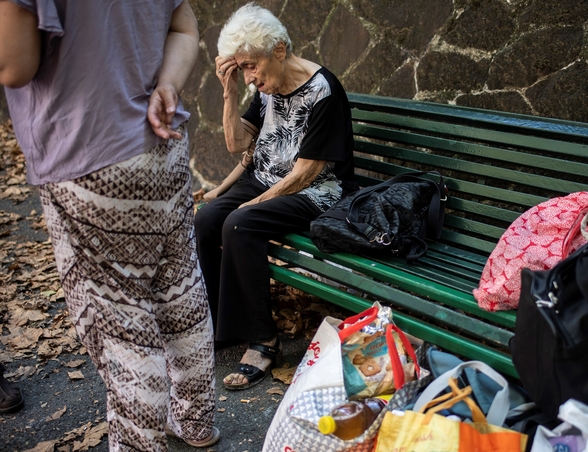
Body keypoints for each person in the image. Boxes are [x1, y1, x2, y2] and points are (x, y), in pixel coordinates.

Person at [0, 0, 219, 449]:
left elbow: (15, 66)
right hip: (163, 144)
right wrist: (168, 84)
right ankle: (196, 421)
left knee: (122, 322)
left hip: (88, 150)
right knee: (179, 286)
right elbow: (184, 24)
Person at [195, 3, 358, 391]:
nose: (250, 76)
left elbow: (307, 172)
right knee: (206, 219)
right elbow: (237, 145)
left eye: (252, 65)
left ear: (279, 50)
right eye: (243, 68)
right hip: (266, 177)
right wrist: (229, 91)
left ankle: (264, 340)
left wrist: (251, 203)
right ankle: (220, 326)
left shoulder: (324, 91)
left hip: (315, 191)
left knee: (240, 223)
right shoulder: (267, 88)